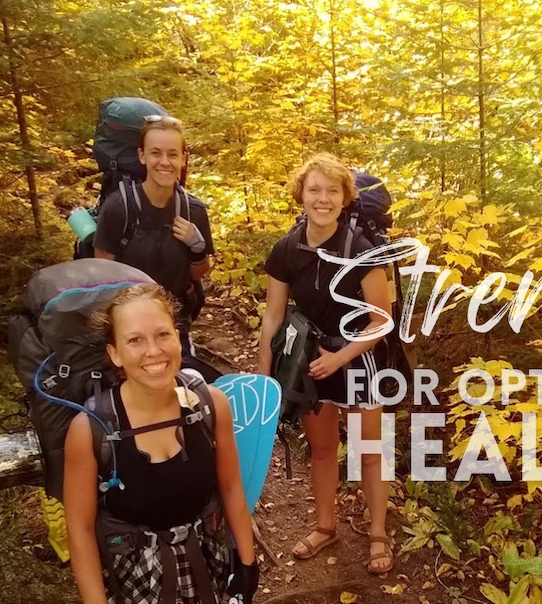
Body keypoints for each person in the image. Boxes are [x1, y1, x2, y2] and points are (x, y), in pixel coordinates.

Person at [64, 284, 259, 604]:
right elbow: (80, 530)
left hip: (209, 566)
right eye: (135, 340)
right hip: (134, 581)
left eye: (162, 335)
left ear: (179, 337)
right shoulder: (91, 431)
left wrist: (247, 567)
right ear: (115, 353)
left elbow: (231, 488)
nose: (153, 351)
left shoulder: (211, 405)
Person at [258, 152, 394, 574]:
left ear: (344, 198)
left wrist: (341, 357)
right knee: (321, 451)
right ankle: (325, 526)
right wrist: (265, 377)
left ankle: (377, 535)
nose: (322, 199)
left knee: (368, 452)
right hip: (307, 365)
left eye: (331, 191)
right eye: (314, 190)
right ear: (301, 194)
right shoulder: (287, 248)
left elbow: (381, 320)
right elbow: (274, 316)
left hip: (355, 360)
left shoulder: (361, 248)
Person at [93, 115, 214, 357]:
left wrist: (196, 247)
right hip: (128, 323)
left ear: (183, 159)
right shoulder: (119, 208)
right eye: (156, 153)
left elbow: (197, 273)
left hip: (174, 320)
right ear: (142, 156)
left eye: (172, 154)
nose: (164, 162)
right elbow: (103, 274)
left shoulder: (194, 211)